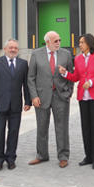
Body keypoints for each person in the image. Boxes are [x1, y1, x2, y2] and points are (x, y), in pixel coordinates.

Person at [59, 33, 94, 169]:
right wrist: (65, 73)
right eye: (79, 42)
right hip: (83, 96)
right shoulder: (78, 58)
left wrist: (91, 82)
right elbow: (76, 77)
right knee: (85, 127)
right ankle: (88, 156)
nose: (79, 45)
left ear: (89, 43)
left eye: (82, 42)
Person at [27, 31, 74, 168]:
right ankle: (41, 155)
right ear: (47, 42)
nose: (58, 43)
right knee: (42, 127)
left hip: (60, 95)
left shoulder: (66, 54)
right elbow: (31, 77)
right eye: (55, 41)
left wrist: (69, 92)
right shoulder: (36, 54)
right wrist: (34, 96)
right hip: (41, 97)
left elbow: (70, 74)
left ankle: (63, 156)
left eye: (59, 40)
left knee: (62, 127)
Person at [0, 39, 31, 171]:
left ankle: (11, 158)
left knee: (14, 132)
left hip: (16, 104)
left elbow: (26, 84)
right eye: (11, 48)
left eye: (16, 48)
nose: (13, 50)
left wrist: (27, 101)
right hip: (0, 104)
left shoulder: (23, 64)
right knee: (0, 132)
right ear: (5, 49)